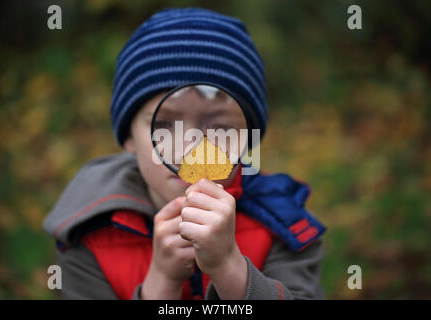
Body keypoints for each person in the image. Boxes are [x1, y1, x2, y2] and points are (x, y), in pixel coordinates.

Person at [43, 7, 326, 300]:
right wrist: (161, 284)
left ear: (245, 140)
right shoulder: (86, 231)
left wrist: (229, 268)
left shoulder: (284, 222)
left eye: (219, 126)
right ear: (129, 137)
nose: (189, 148)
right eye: (164, 124)